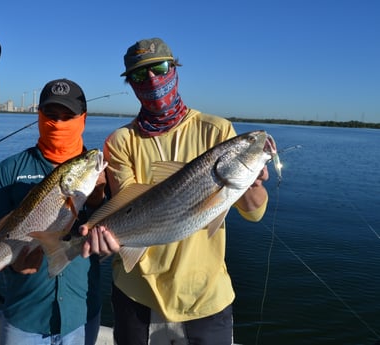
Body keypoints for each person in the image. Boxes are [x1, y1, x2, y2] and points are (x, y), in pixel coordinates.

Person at [80, 38, 270, 345]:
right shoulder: (120, 141)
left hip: (205, 297)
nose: (152, 80)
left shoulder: (217, 131)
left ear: (175, 69)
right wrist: (99, 232)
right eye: (140, 75)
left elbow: (255, 212)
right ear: (130, 84)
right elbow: (130, 201)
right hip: (136, 294)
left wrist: (252, 181)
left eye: (160, 68)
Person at [0, 78, 105, 345]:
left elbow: (120, 229)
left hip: (81, 312)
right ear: (39, 115)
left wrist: (98, 200)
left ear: (83, 118)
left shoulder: (102, 174)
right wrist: (12, 266)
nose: (58, 123)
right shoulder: (10, 170)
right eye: (51, 115)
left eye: (68, 116)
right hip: (25, 314)